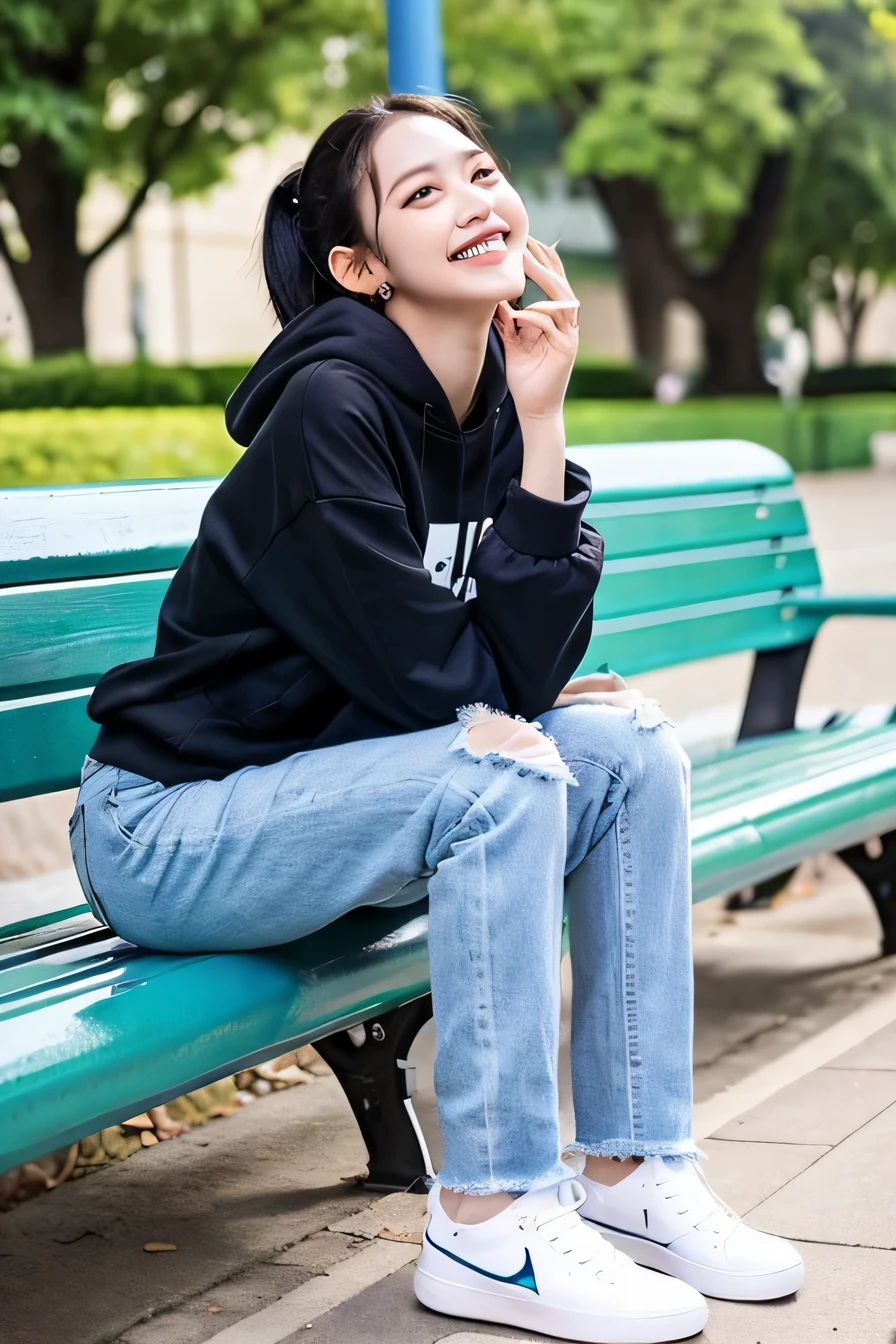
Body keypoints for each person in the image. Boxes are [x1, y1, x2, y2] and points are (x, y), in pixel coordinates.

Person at [69, 92, 804, 1343]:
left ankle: (628, 1175)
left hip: (338, 792)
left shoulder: (493, 396)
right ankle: (488, 1224)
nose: (473, 201)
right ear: (357, 268)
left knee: (622, 749)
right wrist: (496, 689)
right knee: (500, 774)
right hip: (169, 831)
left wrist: (543, 418)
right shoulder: (332, 415)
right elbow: (445, 691)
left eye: (480, 172)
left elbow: (485, 674)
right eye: (421, 195)